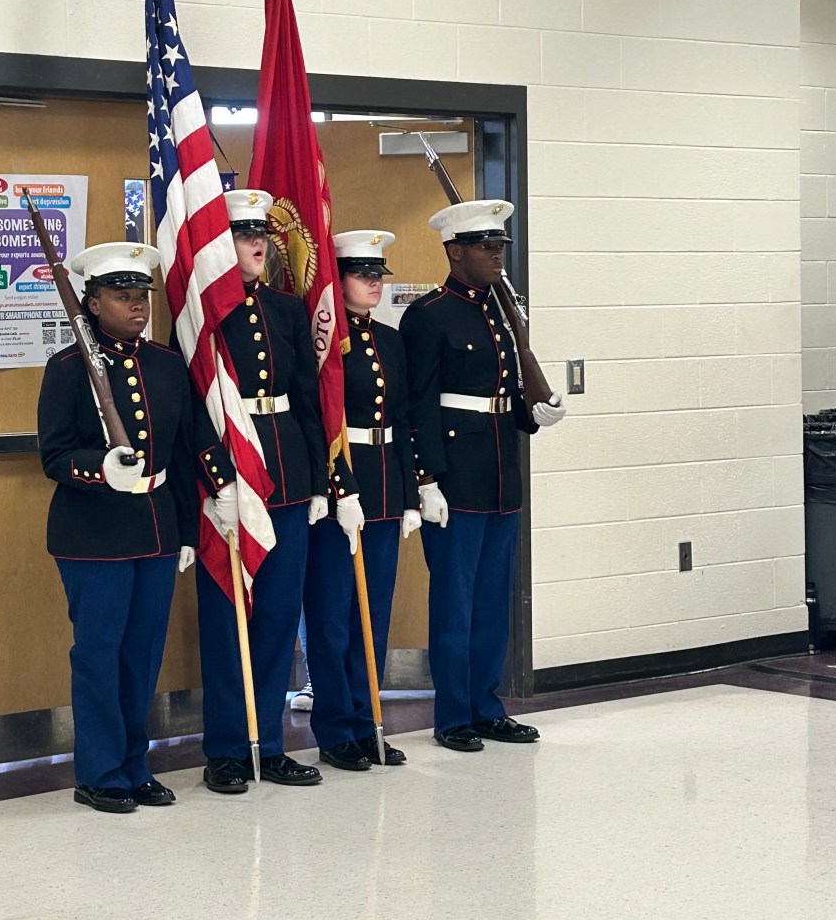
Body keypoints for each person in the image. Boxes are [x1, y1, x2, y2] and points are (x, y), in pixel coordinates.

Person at [37, 241, 233, 814]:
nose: (137, 307)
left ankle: (132, 762)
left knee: (141, 655)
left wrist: (200, 520)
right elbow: (52, 456)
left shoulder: (166, 365)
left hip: (155, 529)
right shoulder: (70, 367)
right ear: (92, 304)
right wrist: (99, 468)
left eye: (141, 296)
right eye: (121, 297)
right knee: (99, 653)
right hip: (92, 535)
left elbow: (190, 440)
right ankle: (99, 771)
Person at [195, 190, 361, 794]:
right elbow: (197, 404)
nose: (259, 244)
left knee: (276, 617)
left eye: (262, 233)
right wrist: (217, 480)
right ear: (220, 243)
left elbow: (310, 398)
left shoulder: (288, 309)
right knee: (227, 617)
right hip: (236, 480)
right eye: (243, 235)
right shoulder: (205, 314)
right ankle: (226, 750)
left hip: (287, 475)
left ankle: (267, 743)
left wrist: (320, 480)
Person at [399, 201, 566, 753]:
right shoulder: (428, 316)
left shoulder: (499, 310)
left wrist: (533, 413)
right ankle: (452, 716)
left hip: (500, 474)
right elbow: (418, 405)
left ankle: (486, 706)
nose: (497, 256)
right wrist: (426, 479)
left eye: (500, 248)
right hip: (456, 478)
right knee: (456, 602)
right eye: (485, 248)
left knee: (494, 601)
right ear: (454, 252)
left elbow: (506, 388)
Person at [302, 231, 421, 771]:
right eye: (361, 273)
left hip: (384, 485)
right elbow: (317, 420)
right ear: (336, 279)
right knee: (332, 616)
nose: (374, 281)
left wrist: (414, 491)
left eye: (378, 273)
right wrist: (333, 484)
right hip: (340, 490)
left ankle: (369, 721)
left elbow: (406, 420)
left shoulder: (393, 341)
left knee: (373, 612)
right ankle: (335, 728)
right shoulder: (322, 344)